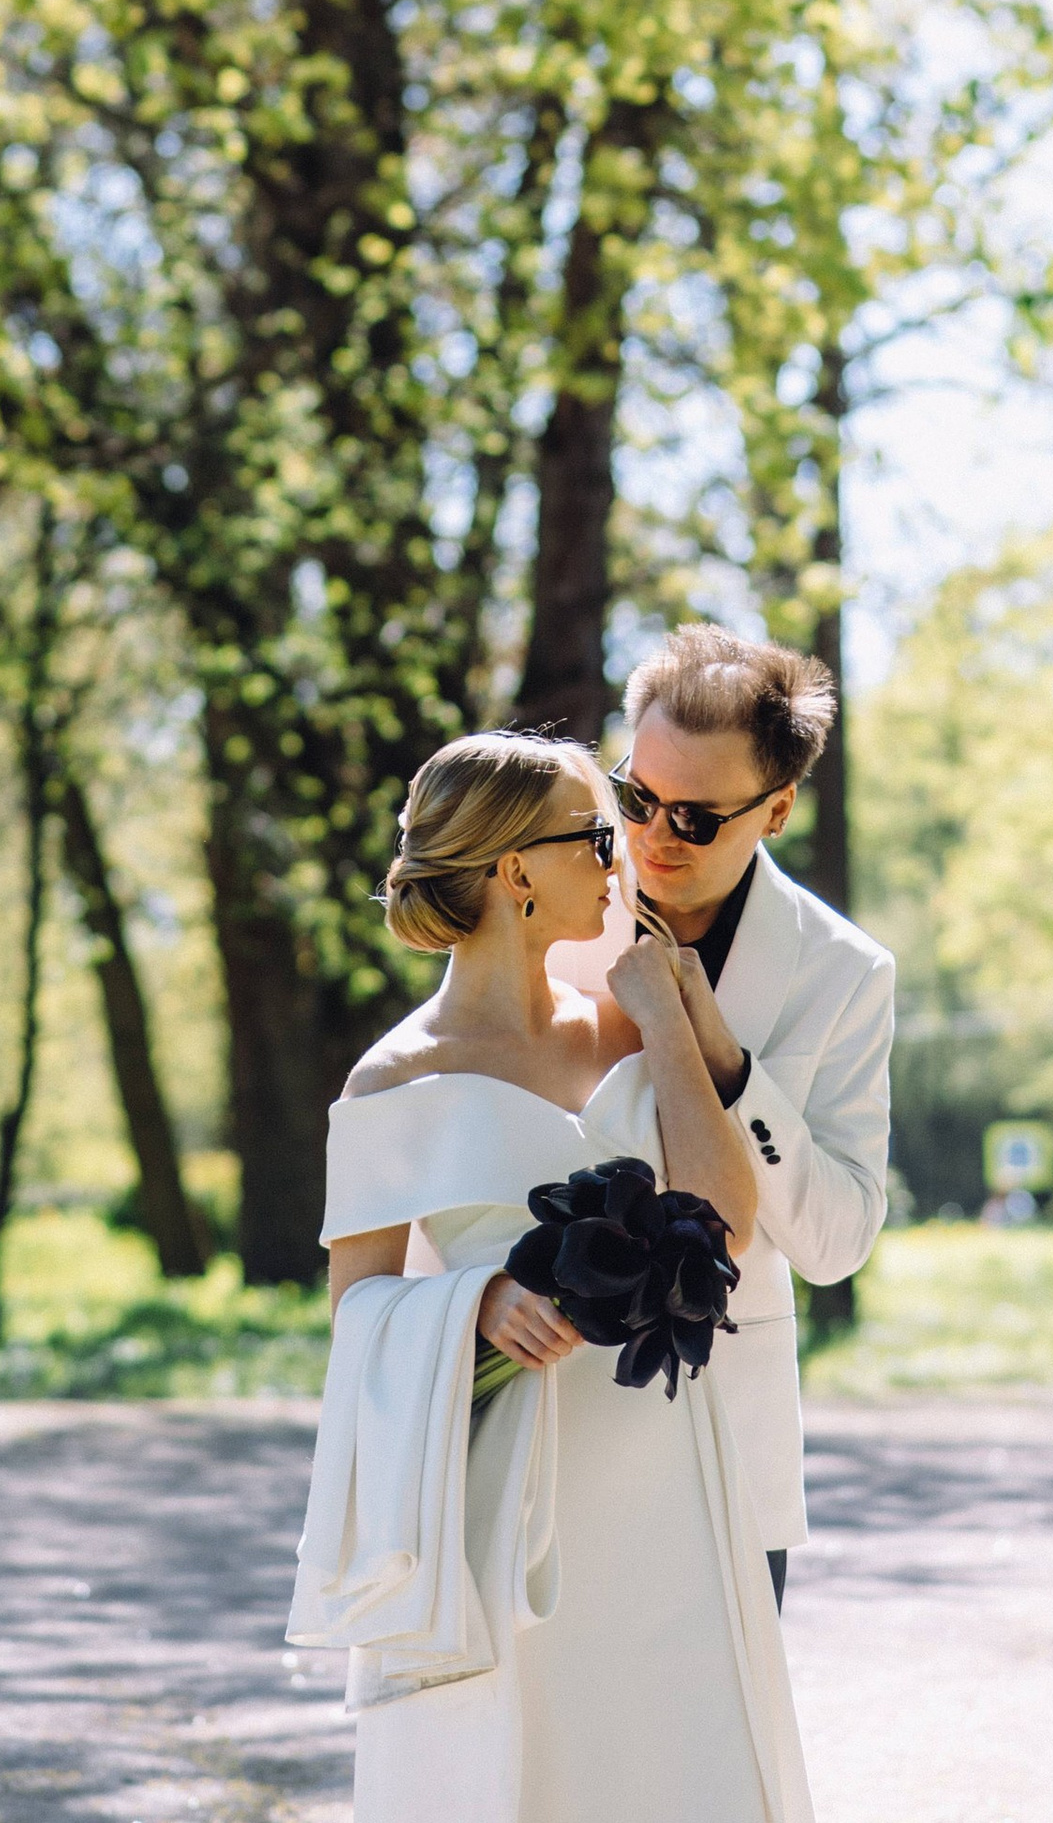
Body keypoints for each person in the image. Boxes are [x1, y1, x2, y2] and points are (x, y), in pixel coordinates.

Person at [291, 730, 811, 1823]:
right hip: (513, 1481)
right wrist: (472, 1303)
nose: (620, 853)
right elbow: (355, 1307)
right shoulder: (393, 1077)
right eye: (593, 834)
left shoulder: (630, 1021)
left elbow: (727, 1217)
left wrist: (668, 1021)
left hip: (669, 1448)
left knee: (676, 1748)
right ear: (514, 872)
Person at [600, 629, 895, 1603]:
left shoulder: (844, 975)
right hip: (546, 1422)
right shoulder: (540, 906)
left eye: (693, 817)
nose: (649, 837)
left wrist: (727, 1065)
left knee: (721, 1754)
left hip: (725, 1423)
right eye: (635, 796)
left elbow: (834, 1243)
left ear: (775, 809)